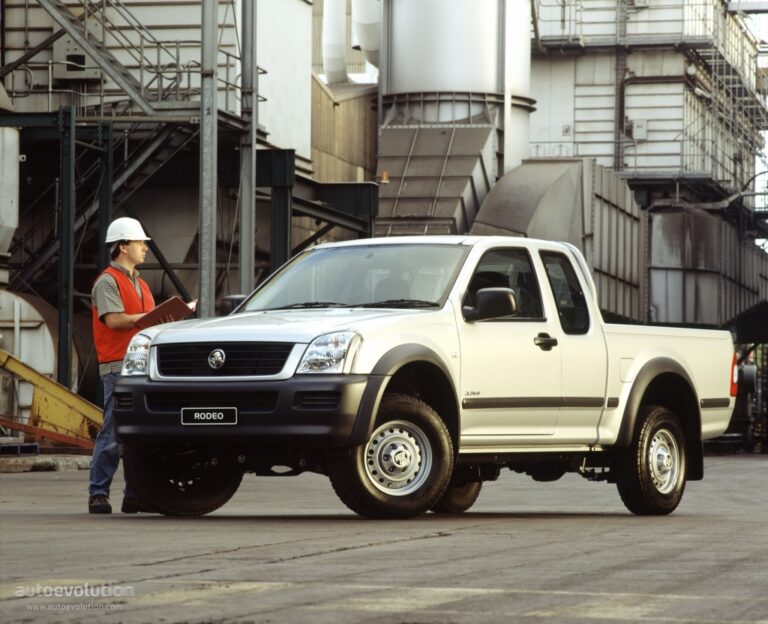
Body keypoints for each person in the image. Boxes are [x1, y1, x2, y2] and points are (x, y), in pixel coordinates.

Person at [88, 217, 158, 514]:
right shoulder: (107, 281)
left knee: (138, 434)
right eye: (140, 242)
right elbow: (114, 320)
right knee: (114, 431)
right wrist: (146, 320)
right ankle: (98, 493)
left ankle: (135, 495)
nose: (145, 248)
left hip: (142, 365)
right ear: (122, 246)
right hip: (118, 365)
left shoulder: (141, 283)